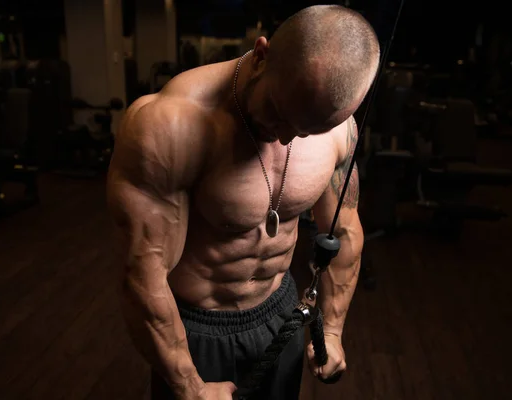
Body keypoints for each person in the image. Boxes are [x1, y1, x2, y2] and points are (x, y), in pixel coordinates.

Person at [107, 5, 380, 400]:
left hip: (280, 311)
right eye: (278, 114)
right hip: (198, 330)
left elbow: (344, 232)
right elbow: (141, 276)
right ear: (261, 56)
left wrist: (333, 330)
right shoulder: (169, 125)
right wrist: (189, 386)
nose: (286, 139)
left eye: (307, 131)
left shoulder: (339, 130)